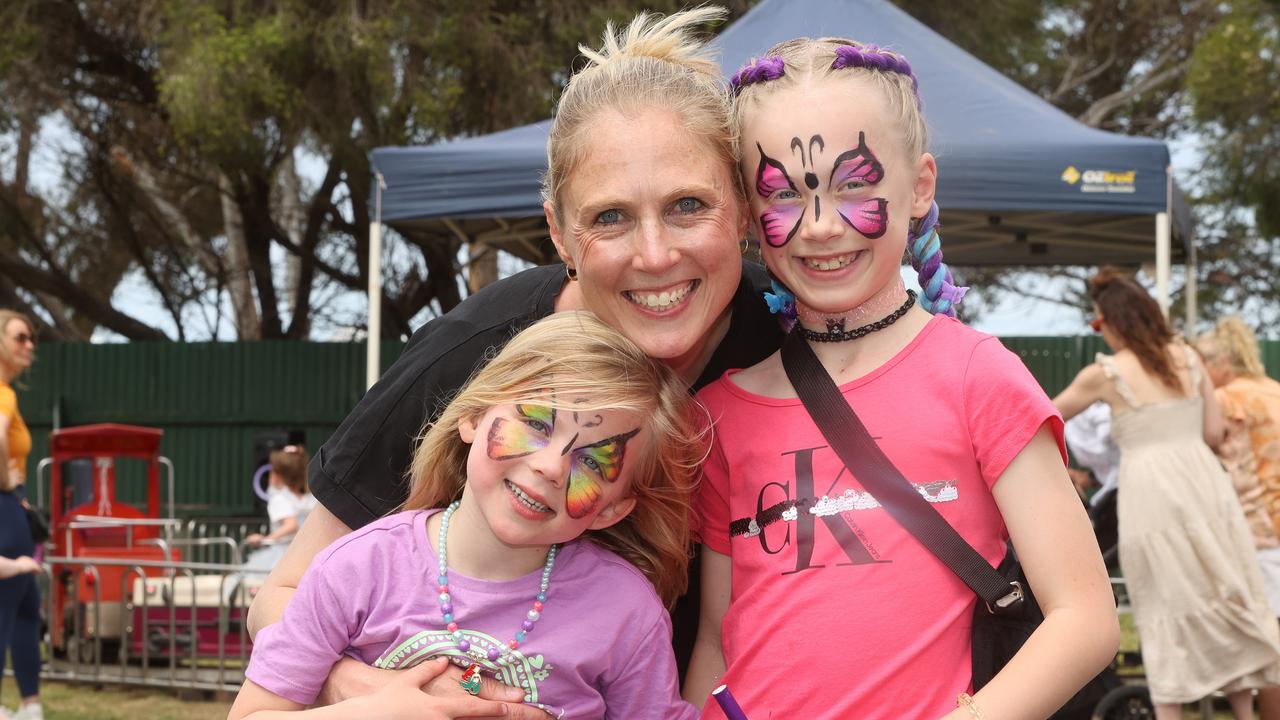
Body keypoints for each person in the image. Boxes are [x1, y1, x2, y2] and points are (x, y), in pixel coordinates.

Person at [247, 7, 782, 712]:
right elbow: (281, 596)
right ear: (559, 232)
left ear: (744, 211)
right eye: (610, 217)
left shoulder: (792, 347)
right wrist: (388, 696)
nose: (655, 255)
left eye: (688, 205)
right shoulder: (476, 355)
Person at [684, 39, 1117, 720]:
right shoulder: (717, 413)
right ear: (747, 215)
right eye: (782, 194)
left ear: (918, 186)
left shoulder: (979, 377)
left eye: (855, 183)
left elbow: (1086, 619)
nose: (821, 226)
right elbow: (716, 641)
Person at [228, 312, 703, 720]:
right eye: (536, 422)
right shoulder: (357, 568)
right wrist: (373, 710)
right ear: (473, 417)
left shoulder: (627, 612)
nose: (551, 466)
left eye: (595, 462)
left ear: (613, 508)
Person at [1054, 269, 1280, 720]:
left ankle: (1171, 710)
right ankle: (1244, 710)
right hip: (1205, 486)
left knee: (1163, 602)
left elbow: (1040, 418)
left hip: (1151, 494)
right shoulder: (1190, 359)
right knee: (1222, 589)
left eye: (1098, 324)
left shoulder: (1104, 373)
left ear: (1115, 322)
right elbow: (1213, 432)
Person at [1197, 316, 1280, 719]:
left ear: (1220, 363)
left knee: (1266, 639)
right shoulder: (1274, 391)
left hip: (1256, 528)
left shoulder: (1228, 400)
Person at [0, 310, 42, 720]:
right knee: (6, 604)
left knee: (27, 605)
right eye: (20, 337)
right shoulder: (3, 393)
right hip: (5, 504)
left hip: (13, 504)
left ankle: (31, 706)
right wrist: (6, 483)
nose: (29, 345)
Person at [242, 446, 316, 572]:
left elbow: (291, 525)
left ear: (278, 474)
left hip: (284, 553)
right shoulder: (309, 499)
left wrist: (265, 540)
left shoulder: (280, 498)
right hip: (308, 552)